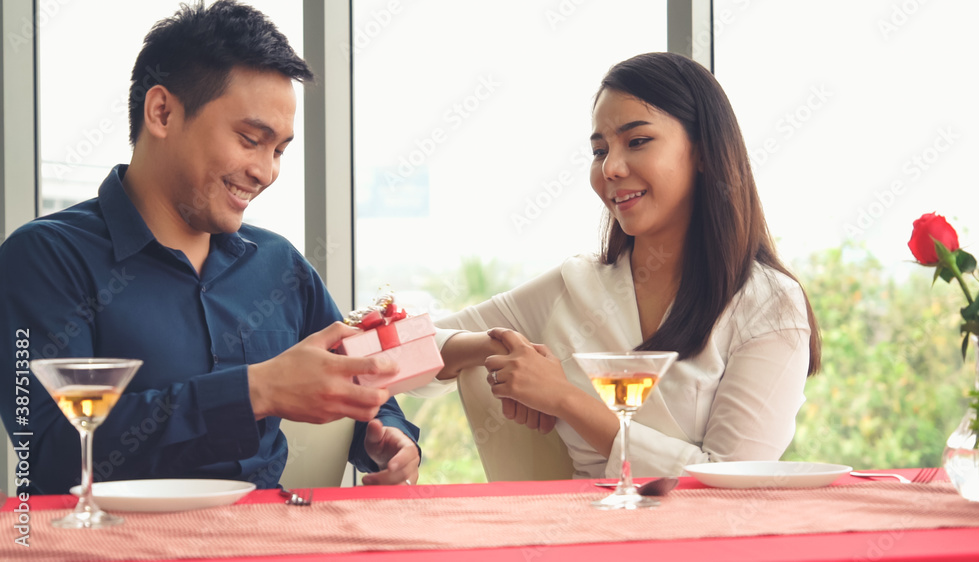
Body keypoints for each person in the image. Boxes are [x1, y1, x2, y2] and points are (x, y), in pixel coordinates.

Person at [0, 0, 419, 495]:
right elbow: (51, 454)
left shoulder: (279, 266)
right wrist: (254, 391)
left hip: (271, 540)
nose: (266, 172)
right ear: (162, 112)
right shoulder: (45, 260)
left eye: (279, 149)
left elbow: (358, 377)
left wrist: (391, 435)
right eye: (249, 139)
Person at [426, 52, 821, 479]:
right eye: (599, 150)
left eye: (636, 142)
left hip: (707, 538)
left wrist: (565, 400)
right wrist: (493, 345)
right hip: (583, 533)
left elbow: (734, 477)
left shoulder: (768, 302)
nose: (610, 169)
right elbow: (404, 355)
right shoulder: (576, 287)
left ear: (704, 152)